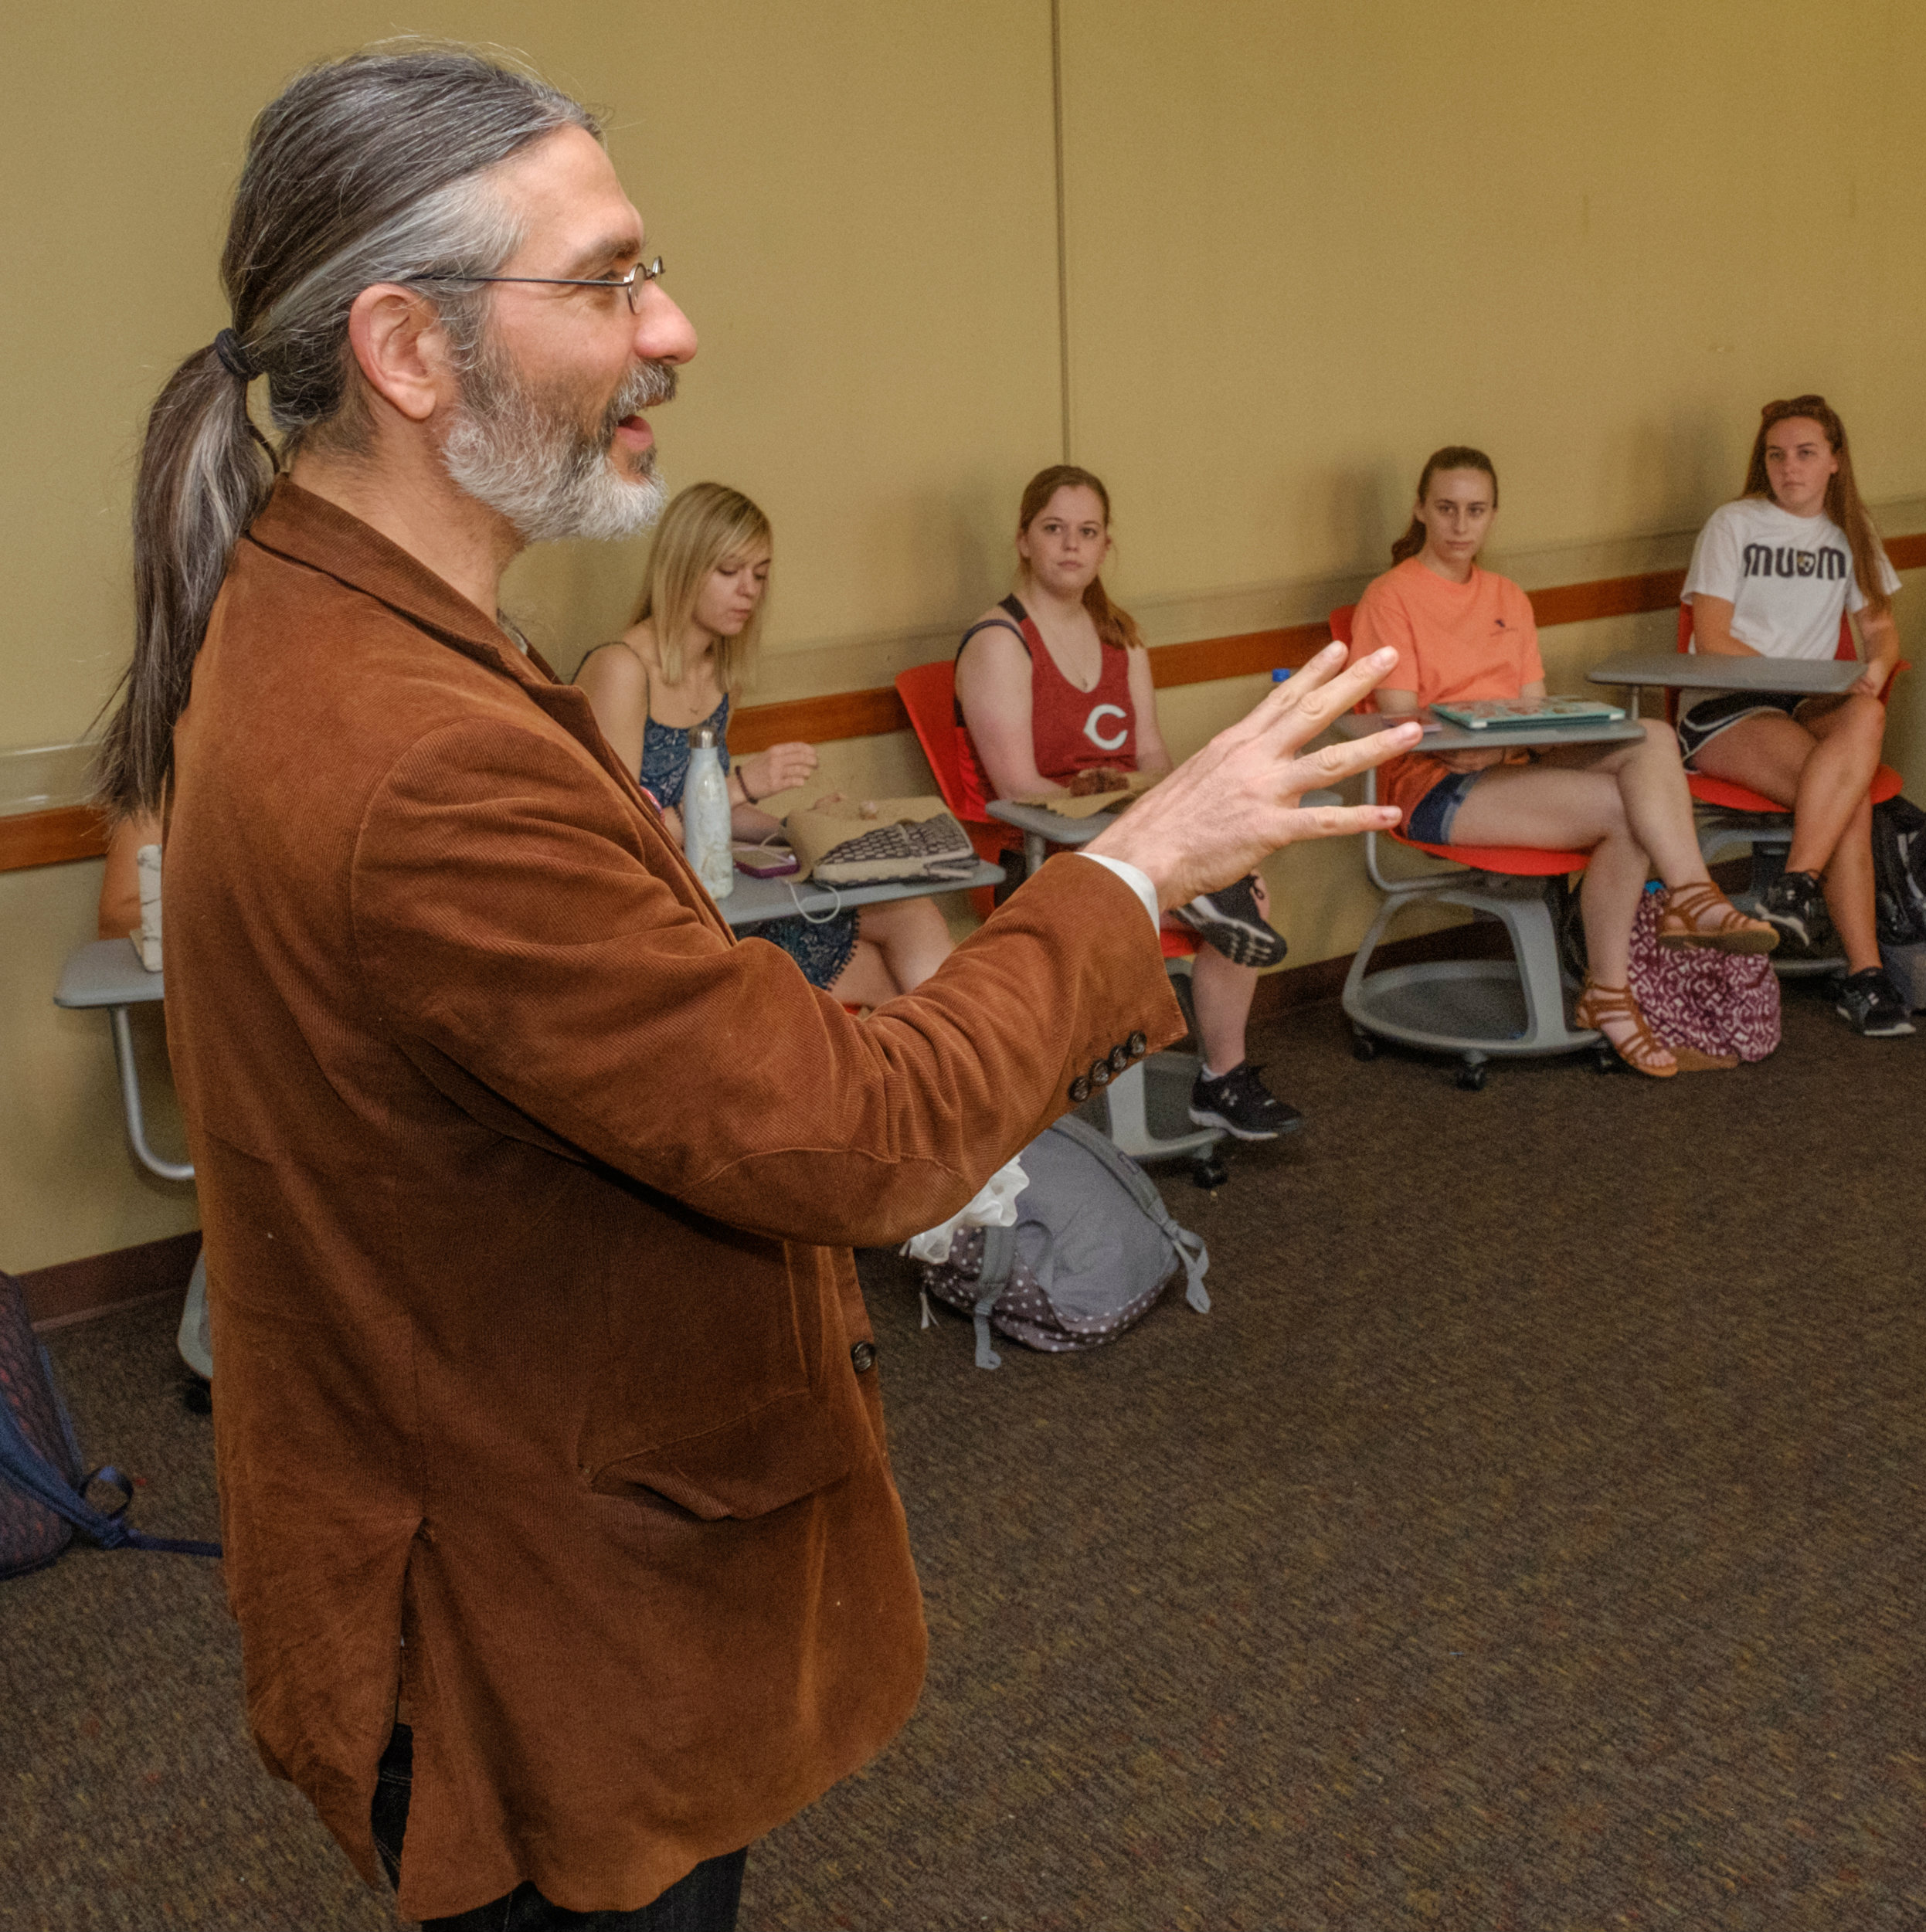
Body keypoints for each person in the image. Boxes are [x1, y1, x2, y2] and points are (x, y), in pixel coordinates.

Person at [93, 48, 1415, 1929]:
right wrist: (1134, 868)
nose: (676, 326)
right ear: (406, 348)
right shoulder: (410, 748)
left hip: (522, 1548)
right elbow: (855, 1135)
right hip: (537, 1629)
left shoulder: (337, 619)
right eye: (613, 277)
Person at [1360, 446, 1778, 1078]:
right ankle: (1616, 989)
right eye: (1445, 508)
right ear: (1420, 509)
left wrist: (1551, 730)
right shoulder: (1390, 596)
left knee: (1654, 737)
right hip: (1434, 785)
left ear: (1494, 515)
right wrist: (1486, 739)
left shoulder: (1507, 595)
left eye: (1475, 510)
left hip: (1510, 763)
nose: (1459, 525)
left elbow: (1533, 711)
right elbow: (1398, 723)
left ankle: (1690, 895)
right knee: (1628, 810)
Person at [956, 465, 1303, 1138]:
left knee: (1249, 885)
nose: (1070, 547)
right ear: (1023, 539)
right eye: (1053, 530)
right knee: (1215, 883)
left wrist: (1174, 815)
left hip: (1128, 832)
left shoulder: (1122, 636)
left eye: (1087, 533)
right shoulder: (1000, 642)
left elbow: (1153, 762)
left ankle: (1221, 1080)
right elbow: (1019, 790)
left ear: (1106, 546)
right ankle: (1196, 889)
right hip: (1032, 854)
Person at [579, 480, 956, 1007]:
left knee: (913, 914)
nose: (749, 591)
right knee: (889, 979)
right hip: (661, 917)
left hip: (724, 893)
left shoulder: (721, 675)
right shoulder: (620, 669)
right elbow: (621, 839)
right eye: (730, 572)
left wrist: (798, 828)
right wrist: (741, 784)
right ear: (682, 568)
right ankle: (972, 1073)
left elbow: (713, 819)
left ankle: (970, 1074)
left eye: (760, 574)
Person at [1680, 395, 1912, 1037]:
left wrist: (1877, 667)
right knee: (1850, 796)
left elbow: (1881, 627)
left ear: (1835, 461)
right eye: (1776, 455)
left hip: (1807, 705)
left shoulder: (1851, 529)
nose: (1790, 468)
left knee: (1866, 717)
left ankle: (1794, 891)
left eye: (1806, 454)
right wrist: (1803, 677)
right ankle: (1862, 974)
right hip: (1727, 706)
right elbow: (1712, 636)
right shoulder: (1733, 524)